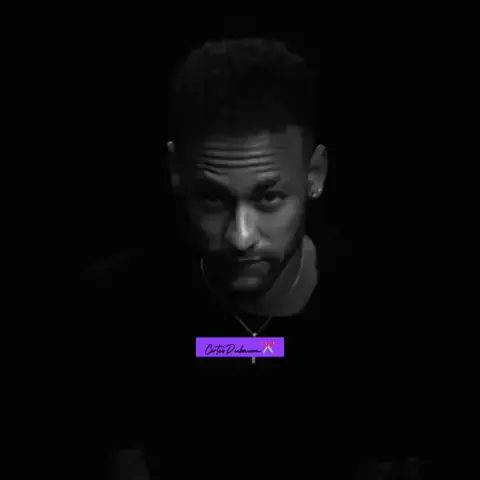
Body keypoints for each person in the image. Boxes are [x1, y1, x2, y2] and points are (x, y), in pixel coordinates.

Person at [79, 38, 430, 478]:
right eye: (212, 199)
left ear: (314, 176)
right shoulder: (119, 305)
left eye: (268, 198)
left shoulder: (383, 314)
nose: (241, 237)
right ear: (176, 172)